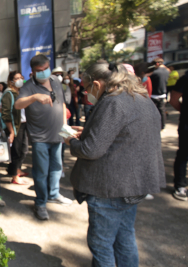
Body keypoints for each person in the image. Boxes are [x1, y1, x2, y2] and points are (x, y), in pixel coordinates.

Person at [65, 61, 165, 266]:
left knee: (101, 244)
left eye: (87, 89)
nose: (87, 93)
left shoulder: (113, 102)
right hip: (134, 185)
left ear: (97, 84)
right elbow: (125, 136)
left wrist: (72, 141)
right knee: (125, 237)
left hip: (110, 188)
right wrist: (90, 133)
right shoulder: (141, 98)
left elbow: (90, 150)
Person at [15, 54, 72, 220]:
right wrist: (34, 97)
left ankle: (54, 194)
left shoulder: (55, 81)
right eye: (39, 71)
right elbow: (17, 105)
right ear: (32, 72)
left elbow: (61, 104)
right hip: (40, 137)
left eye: (46, 69)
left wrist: (65, 126)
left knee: (56, 168)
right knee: (41, 172)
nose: (44, 73)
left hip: (58, 134)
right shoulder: (28, 87)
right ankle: (40, 202)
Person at [0, 71, 29, 185]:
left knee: (24, 150)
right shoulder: (9, 94)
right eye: (16, 78)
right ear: (11, 81)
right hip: (15, 126)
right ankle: (14, 176)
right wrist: (12, 131)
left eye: (21, 77)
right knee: (17, 151)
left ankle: (15, 169)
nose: (20, 80)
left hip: (23, 124)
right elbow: (6, 114)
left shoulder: (20, 92)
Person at [170, 72, 188, 201]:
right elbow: (174, 99)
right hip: (186, 124)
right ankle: (180, 185)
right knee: (184, 154)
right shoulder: (185, 78)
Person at [149, 58, 169, 129]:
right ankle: (163, 126)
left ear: (157, 64)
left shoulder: (154, 72)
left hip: (153, 94)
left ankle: (154, 126)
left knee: (153, 111)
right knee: (162, 111)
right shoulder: (167, 71)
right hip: (163, 94)